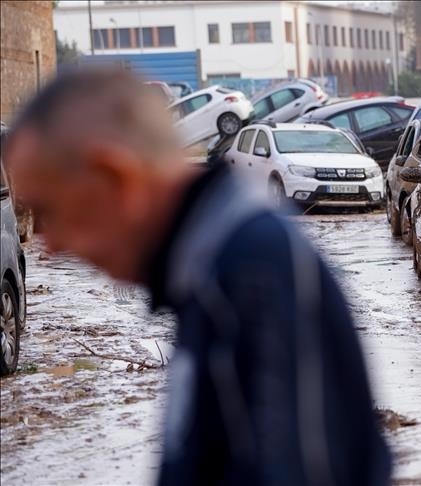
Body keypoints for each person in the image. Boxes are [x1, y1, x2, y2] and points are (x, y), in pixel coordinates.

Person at [5, 69, 391, 485]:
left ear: (114, 177)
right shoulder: (207, 271)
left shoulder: (252, 273)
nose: (49, 245)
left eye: (50, 211)